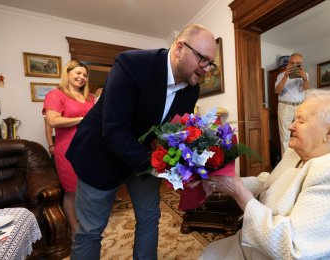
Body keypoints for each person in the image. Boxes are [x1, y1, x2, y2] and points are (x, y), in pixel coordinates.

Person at [66, 24, 217, 260]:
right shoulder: (131, 64)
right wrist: (163, 170)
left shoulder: (191, 89)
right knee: (90, 231)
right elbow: (114, 132)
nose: (207, 69)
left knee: (149, 220)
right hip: (100, 157)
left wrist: (188, 169)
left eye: (211, 63)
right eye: (203, 59)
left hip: (146, 163)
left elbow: (174, 135)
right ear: (179, 48)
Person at [199, 89, 330, 260]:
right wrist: (220, 182)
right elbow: (268, 182)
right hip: (263, 245)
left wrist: (240, 194)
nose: (291, 126)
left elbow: (293, 249)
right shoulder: (297, 152)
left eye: (301, 121)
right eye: (294, 119)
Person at [42, 60, 94, 240]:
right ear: (67, 73)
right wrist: (82, 119)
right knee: (72, 190)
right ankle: (74, 230)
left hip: (89, 148)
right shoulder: (56, 95)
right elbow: (53, 121)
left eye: (85, 75)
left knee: (88, 189)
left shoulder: (89, 98)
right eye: (78, 73)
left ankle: (87, 224)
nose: (82, 77)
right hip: (68, 149)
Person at [275, 53, 309, 156]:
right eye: (292, 63)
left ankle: (300, 159)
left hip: (300, 106)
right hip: (285, 106)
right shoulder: (281, 75)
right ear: (288, 63)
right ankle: (286, 162)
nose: (294, 65)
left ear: (301, 63)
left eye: (297, 63)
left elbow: (307, 91)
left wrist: (305, 79)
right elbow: (277, 91)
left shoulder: (305, 74)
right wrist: (285, 76)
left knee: (301, 133)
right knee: (285, 136)